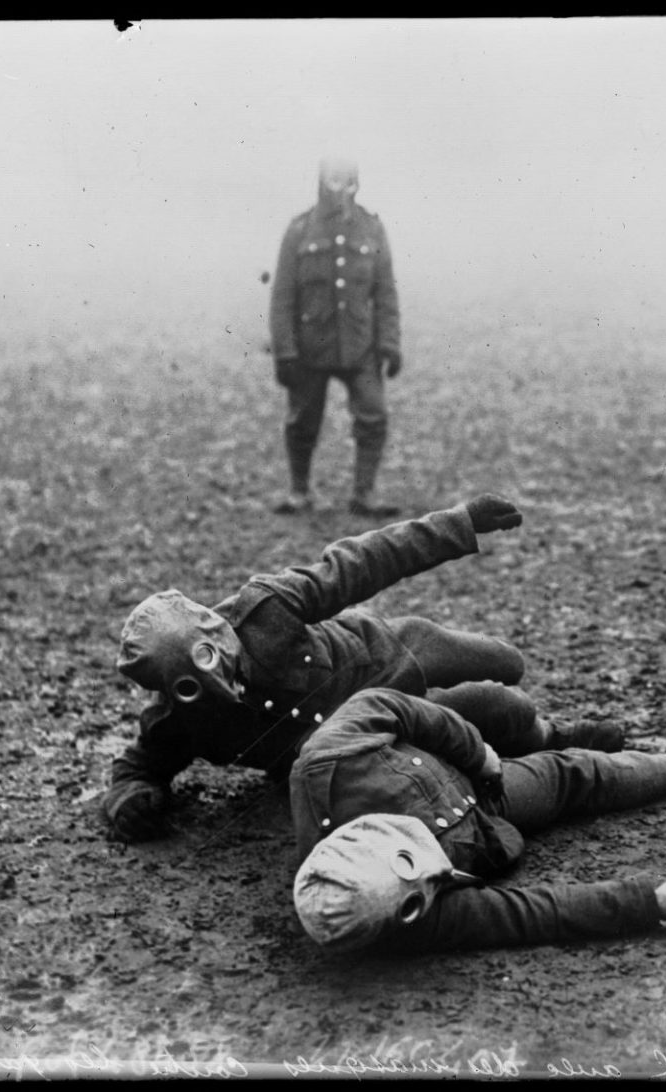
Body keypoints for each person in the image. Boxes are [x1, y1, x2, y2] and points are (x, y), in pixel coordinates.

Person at [102, 494, 537, 842]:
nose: (216, 683)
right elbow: (137, 767)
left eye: (208, 657)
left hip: (390, 653)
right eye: (188, 686)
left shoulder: (265, 607)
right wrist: (132, 801)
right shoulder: (178, 720)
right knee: (500, 708)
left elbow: (363, 562)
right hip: (378, 726)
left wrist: (457, 523)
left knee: (507, 663)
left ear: (214, 627)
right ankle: (557, 737)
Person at [290, 687, 666, 952]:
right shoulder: (398, 920)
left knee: (574, 771)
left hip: (468, 775)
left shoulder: (329, 759)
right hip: (482, 829)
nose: (435, 881)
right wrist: (647, 902)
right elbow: (523, 913)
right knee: (571, 773)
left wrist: (478, 755)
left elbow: (387, 703)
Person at [268, 157, 402, 518]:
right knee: (301, 421)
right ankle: (299, 491)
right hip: (311, 347)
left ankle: (365, 493)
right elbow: (282, 296)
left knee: (373, 416)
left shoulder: (371, 230)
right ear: (320, 181)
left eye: (347, 181)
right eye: (332, 180)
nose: (339, 188)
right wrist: (285, 352)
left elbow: (386, 291)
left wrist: (389, 344)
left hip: (361, 347)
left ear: (357, 183)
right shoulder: (300, 230)